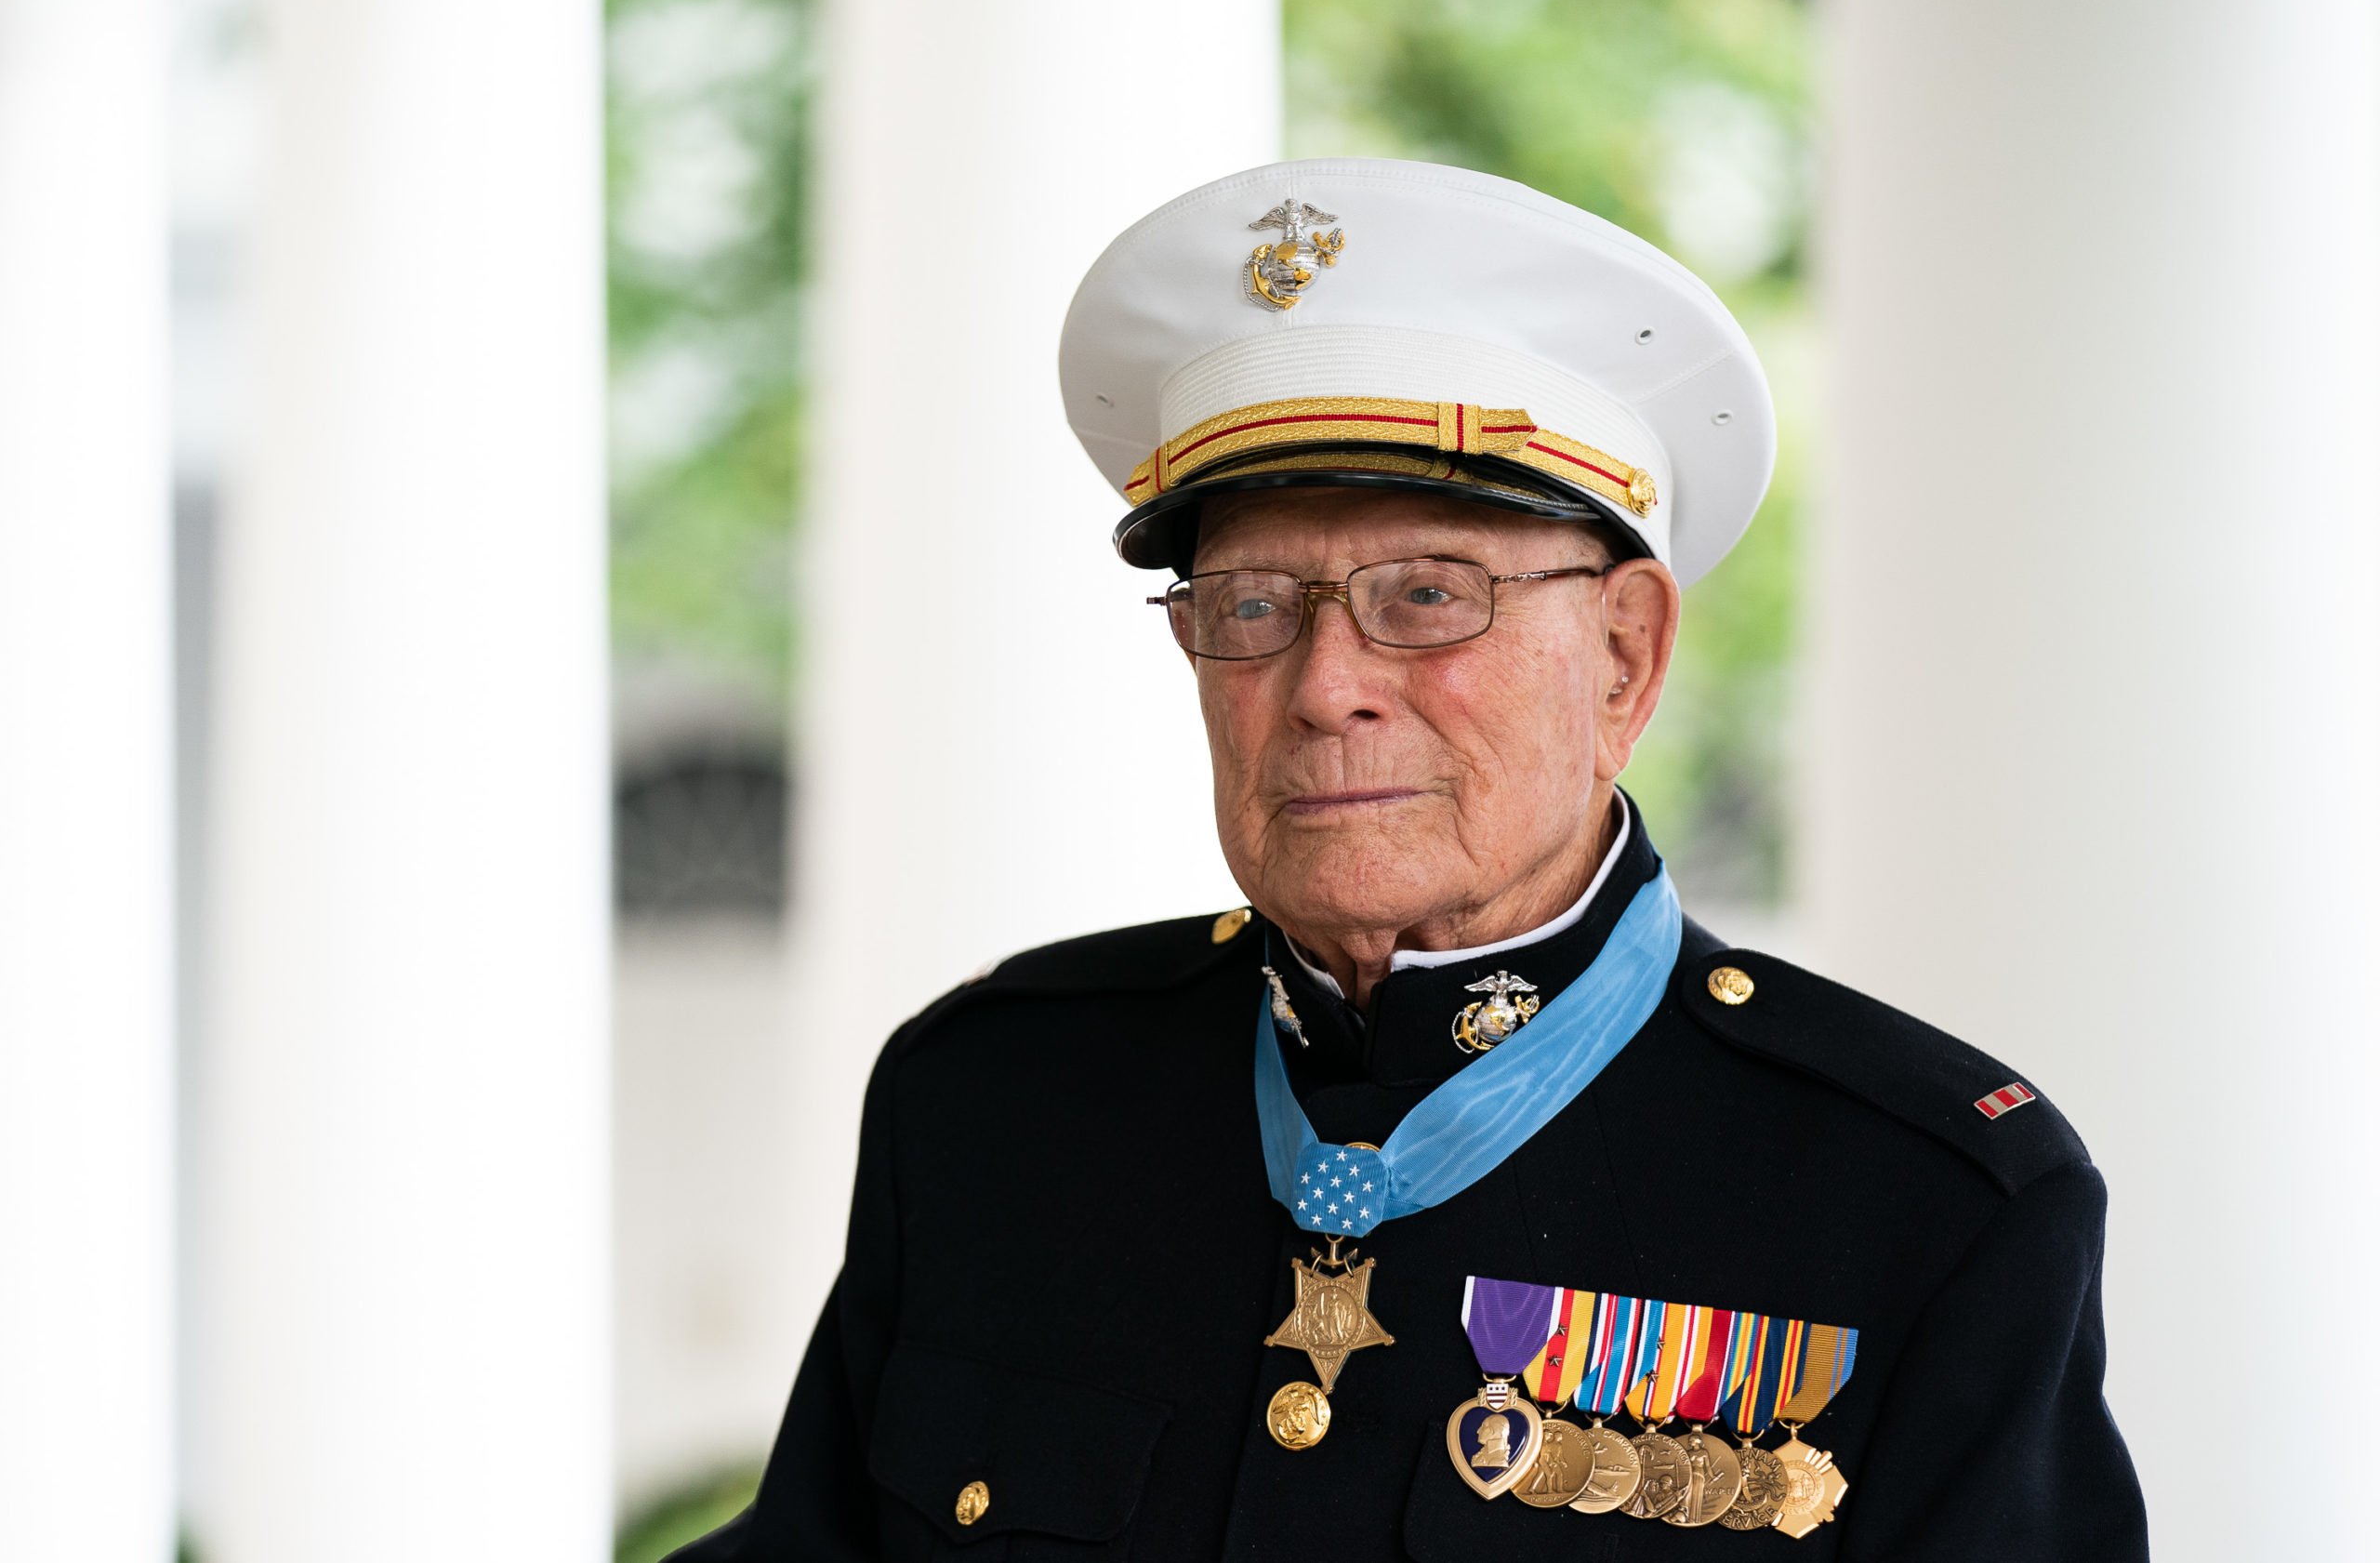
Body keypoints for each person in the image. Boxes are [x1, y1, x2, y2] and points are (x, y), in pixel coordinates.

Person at [669, 158, 2148, 1560]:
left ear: (1625, 656)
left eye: (1429, 594)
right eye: (1250, 604)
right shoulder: (991, 1104)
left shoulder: (1925, 1202)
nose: (1322, 686)